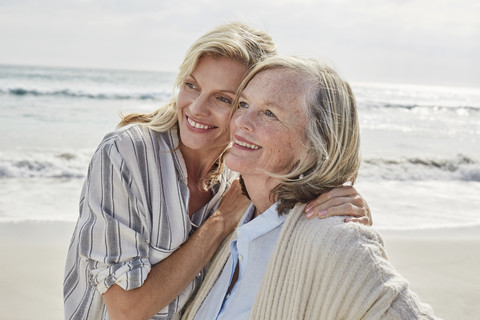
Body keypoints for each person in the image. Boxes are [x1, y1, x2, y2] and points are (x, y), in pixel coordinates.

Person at [63, 23, 371, 320]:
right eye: (191, 85)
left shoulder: (246, 172)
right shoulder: (127, 154)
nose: (196, 108)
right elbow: (126, 311)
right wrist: (220, 222)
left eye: (224, 98)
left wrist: (346, 212)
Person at [182, 56, 437, 319]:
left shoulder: (338, 241)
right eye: (243, 103)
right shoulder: (230, 217)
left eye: (269, 113)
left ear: (317, 142)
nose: (241, 122)